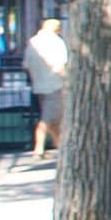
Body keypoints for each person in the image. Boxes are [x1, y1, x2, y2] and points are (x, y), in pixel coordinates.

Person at [24, 17, 68, 160]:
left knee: (53, 118)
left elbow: (26, 65)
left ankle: (60, 147)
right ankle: (39, 148)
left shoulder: (33, 42)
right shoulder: (56, 42)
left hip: (39, 85)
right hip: (55, 84)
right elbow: (60, 65)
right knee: (49, 119)